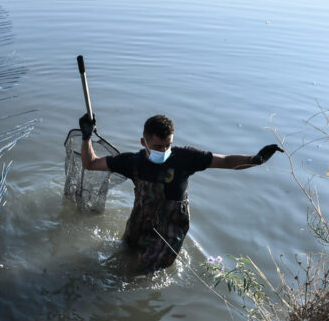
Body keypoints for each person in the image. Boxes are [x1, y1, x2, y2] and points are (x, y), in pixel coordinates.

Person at [78, 113, 283, 272]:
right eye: (158, 146)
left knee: (145, 274)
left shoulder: (185, 158)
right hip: (139, 223)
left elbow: (225, 161)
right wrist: (86, 136)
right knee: (125, 253)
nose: (164, 150)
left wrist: (254, 160)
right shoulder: (132, 162)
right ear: (144, 142)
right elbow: (90, 163)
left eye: (168, 145)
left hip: (170, 231)